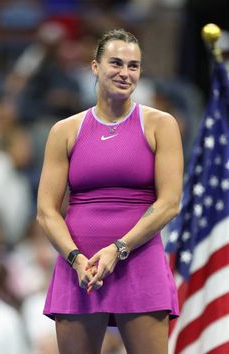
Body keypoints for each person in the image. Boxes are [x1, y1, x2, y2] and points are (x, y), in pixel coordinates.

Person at [37, 28, 183, 354]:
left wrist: (119, 249)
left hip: (139, 260)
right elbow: (46, 211)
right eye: (116, 63)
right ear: (95, 67)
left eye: (133, 66)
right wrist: (75, 259)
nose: (125, 73)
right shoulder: (65, 131)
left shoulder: (161, 125)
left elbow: (169, 204)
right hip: (81, 266)